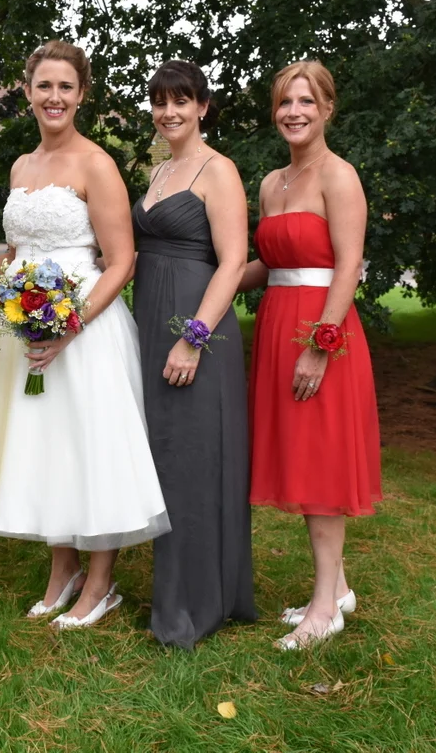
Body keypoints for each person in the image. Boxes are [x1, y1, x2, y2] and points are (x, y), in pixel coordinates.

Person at [0, 40, 169, 628]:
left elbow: (122, 260)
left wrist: (70, 326)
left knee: (89, 444)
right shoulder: (21, 166)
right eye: (44, 86)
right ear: (28, 92)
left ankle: (102, 583)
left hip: (84, 325)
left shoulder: (96, 164)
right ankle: (63, 569)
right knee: (46, 443)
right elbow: (15, 251)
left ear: (82, 94)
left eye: (66, 87)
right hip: (24, 323)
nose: (54, 97)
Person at [240, 59, 382, 650]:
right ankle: (338, 587)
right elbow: (269, 263)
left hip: (322, 332)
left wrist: (321, 346)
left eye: (305, 102)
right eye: (284, 102)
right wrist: (204, 281)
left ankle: (324, 610)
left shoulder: (338, 176)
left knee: (321, 466)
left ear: (327, 109)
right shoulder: (272, 182)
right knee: (302, 457)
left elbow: (348, 265)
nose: (293, 112)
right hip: (277, 325)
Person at [131, 60, 256, 649]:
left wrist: (194, 337)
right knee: (165, 457)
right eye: (160, 102)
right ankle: (176, 589)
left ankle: (195, 605)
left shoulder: (218, 169)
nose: (168, 112)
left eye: (181, 101)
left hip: (196, 330)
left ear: (203, 107)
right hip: (151, 322)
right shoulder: (159, 171)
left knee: (193, 461)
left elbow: (233, 262)